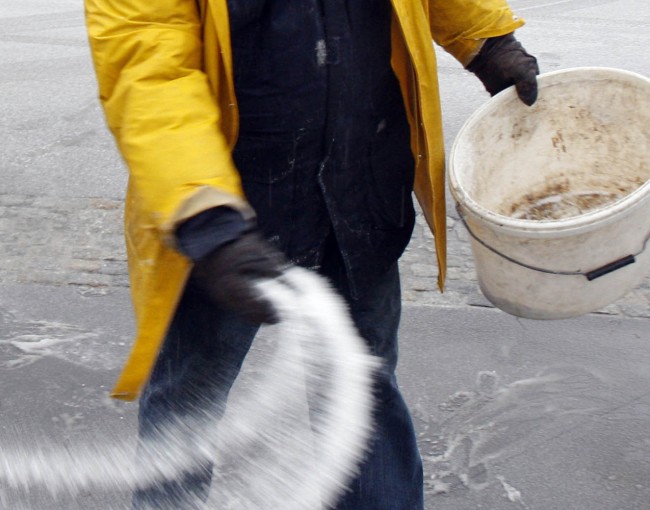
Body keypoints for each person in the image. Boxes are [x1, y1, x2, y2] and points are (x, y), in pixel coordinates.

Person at [84, 1, 539, 508]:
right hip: (229, 207)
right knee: (188, 403)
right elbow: (146, 61)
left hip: (361, 181)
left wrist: (488, 40)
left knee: (360, 387)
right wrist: (203, 211)